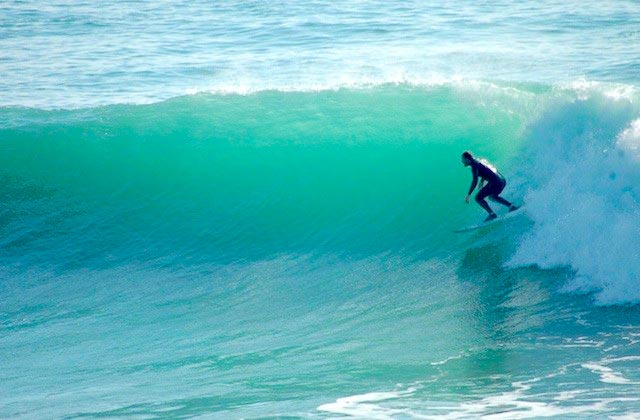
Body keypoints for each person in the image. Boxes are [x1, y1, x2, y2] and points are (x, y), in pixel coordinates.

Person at [461, 151, 518, 221]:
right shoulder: (479, 161)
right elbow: (488, 169)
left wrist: (469, 194)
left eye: (462, 159)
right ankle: (511, 206)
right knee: (492, 197)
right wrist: (482, 180)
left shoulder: (474, 165)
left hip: (495, 182)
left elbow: (474, 180)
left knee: (478, 198)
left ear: (467, 159)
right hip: (502, 180)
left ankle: (492, 214)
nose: (462, 161)